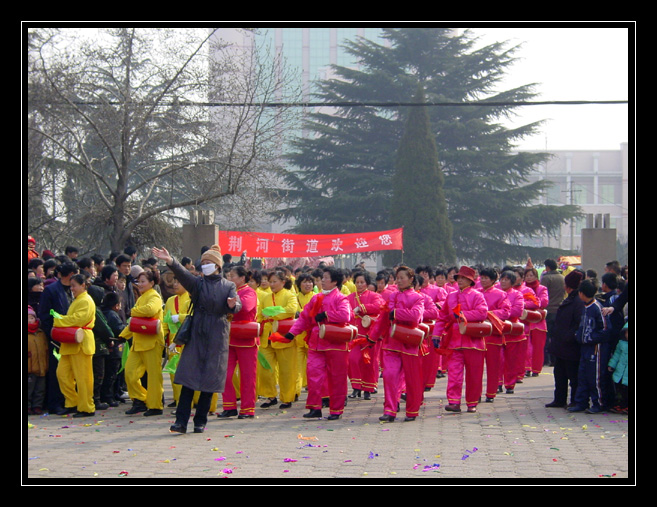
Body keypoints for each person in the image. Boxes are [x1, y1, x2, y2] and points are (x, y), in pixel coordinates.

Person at [152, 245, 241, 434]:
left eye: (210, 263)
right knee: (188, 379)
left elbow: (237, 304)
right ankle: (180, 422)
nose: (206, 266)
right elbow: (183, 274)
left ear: (218, 266)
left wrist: (233, 305)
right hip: (197, 333)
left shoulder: (228, 285)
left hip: (218, 334)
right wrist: (170, 261)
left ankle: (200, 421)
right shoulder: (198, 283)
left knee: (209, 381)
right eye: (204, 263)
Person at [283, 266, 352, 420]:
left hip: (335, 343)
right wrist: (292, 333)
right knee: (313, 375)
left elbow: (345, 315)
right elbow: (304, 318)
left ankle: (336, 409)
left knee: (337, 377)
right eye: (322, 278)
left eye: (326, 278)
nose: (322, 281)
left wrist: (327, 314)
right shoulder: (316, 298)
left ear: (334, 281)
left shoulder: (341, 298)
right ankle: (315, 407)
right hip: (316, 343)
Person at [370, 265, 425, 422]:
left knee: (412, 378)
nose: (399, 281)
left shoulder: (417, 297)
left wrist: (397, 313)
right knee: (389, 375)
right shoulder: (392, 297)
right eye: (397, 278)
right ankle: (390, 410)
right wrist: (371, 338)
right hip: (392, 342)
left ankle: (412, 411)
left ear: (411, 279)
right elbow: (382, 319)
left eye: (403, 278)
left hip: (409, 341)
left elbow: (416, 317)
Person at [432, 265, 488, 413]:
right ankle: (454, 402)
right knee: (454, 373)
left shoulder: (477, 295)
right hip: (454, 341)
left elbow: (483, 313)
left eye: (464, 278)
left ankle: (472, 402)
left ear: (471, 281)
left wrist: (463, 315)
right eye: (459, 278)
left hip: (473, 341)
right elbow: (442, 317)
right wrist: (436, 334)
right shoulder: (451, 296)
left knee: (474, 374)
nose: (461, 280)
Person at [119, 268, 165, 417]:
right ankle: (140, 400)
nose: (140, 284)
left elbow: (150, 311)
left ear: (152, 283)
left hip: (152, 342)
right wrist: (123, 336)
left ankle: (155, 405)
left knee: (153, 376)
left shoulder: (155, 297)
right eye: (139, 281)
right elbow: (134, 322)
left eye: (143, 281)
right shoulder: (141, 298)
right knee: (130, 373)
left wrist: (133, 311)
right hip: (138, 343)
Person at [53, 273, 97, 417]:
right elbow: (72, 319)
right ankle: (72, 402)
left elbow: (77, 320)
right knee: (62, 374)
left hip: (81, 341)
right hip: (71, 342)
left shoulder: (86, 300)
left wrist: (59, 321)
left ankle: (86, 407)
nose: (72, 289)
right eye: (70, 286)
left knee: (83, 378)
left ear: (83, 285)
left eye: (74, 286)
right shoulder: (77, 299)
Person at [38, 261, 79, 415]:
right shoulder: (51, 291)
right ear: (70, 275)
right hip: (57, 338)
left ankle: (71, 401)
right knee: (58, 371)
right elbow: (46, 314)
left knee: (72, 372)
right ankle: (55, 403)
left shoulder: (76, 291)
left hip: (73, 338)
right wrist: (55, 332)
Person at [218, 266, 259, 419]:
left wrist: (230, 303)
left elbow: (245, 308)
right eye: (228, 276)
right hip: (229, 337)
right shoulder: (228, 292)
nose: (229, 279)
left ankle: (248, 409)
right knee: (225, 374)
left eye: (232, 276)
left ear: (242, 278)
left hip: (246, 338)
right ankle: (229, 406)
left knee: (247, 376)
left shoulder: (249, 292)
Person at [256, 269, 299, 410]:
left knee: (287, 370)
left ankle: (287, 398)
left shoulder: (290, 295)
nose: (272, 284)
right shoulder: (265, 297)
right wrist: (267, 315)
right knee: (264, 369)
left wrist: (271, 313)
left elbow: (291, 310)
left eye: (275, 281)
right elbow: (260, 314)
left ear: (283, 282)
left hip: (283, 336)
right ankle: (270, 396)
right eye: (270, 281)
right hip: (266, 337)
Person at [568, 279, 611, 413]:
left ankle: (598, 403)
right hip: (584, 348)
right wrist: (578, 336)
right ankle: (581, 402)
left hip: (595, 348)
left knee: (595, 378)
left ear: (581, 293)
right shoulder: (585, 308)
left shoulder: (597, 308)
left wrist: (590, 338)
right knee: (582, 376)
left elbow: (605, 330)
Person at [545, 269, 585, 408]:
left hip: (570, 344)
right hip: (561, 344)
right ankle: (559, 399)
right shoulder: (569, 299)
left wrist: (570, 336)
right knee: (559, 373)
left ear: (569, 286)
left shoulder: (578, 301)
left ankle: (575, 401)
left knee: (573, 375)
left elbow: (578, 323)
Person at [346, 270, 384, 400]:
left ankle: (368, 389)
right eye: (357, 282)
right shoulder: (350, 297)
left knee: (369, 361)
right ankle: (356, 387)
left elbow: (379, 306)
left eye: (362, 282)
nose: (359, 284)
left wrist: (361, 308)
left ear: (367, 283)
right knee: (352, 359)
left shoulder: (374, 295)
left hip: (370, 336)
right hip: (355, 335)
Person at [478, 267, 511, 403]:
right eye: (482, 277)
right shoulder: (475, 293)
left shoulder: (500, 294)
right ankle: (476, 393)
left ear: (493, 280)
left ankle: (491, 393)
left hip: (494, 334)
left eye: (486, 278)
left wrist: (488, 315)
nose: (483, 280)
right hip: (477, 334)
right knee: (476, 367)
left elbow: (506, 311)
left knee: (493, 366)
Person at [100, 292, 127, 407]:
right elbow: (120, 330)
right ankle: (109, 397)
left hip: (105, 348)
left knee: (107, 374)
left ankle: (113, 394)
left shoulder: (102, 312)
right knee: (111, 374)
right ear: (116, 305)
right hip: (114, 347)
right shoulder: (113, 315)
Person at [522, 262, 549, 376]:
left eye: (531, 275)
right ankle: (526, 367)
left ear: (536, 276)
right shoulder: (522, 288)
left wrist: (529, 303)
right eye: (527, 276)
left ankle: (536, 368)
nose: (529, 278)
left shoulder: (542, 288)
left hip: (538, 320)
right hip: (525, 320)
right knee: (526, 346)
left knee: (538, 346)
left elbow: (544, 302)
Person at [294, 272, 316, 398]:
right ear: (299, 284)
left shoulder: (316, 297)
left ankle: (313, 390)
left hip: (312, 337)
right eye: (305, 282)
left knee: (313, 366)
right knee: (296, 367)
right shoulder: (294, 297)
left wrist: (300, 313)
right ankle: (295, 392)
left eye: (310, 282)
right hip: (297, 337)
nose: (308, 284)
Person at [540, 259, 565, 367]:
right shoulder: (562, 278)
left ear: (547, 267)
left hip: (548, 310)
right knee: (556, 336)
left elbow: (541, 294)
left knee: (546, 336)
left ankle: (546, 359)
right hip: (559, 309)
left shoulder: (546, 278)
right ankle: (556, 359)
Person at [27, 306, 49, 415]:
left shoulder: (40, 333)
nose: (29, 320)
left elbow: (45, 348)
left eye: (31, 318)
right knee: (28, 389)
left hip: (41, 366)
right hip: (29, 367)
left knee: (40, 389)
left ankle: (37, 406)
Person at [607, 321, 629, 414]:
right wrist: (612, 365)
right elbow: (616, 355)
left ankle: (626, 405)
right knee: (620, 390)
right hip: (620, 372)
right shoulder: (621, 343)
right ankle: (621, 405)